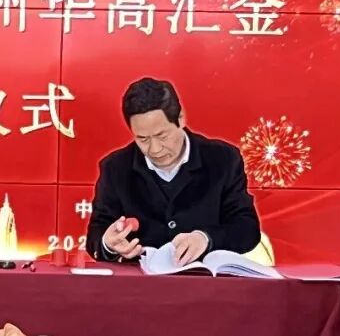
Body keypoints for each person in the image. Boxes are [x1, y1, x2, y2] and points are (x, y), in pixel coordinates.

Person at [86, 78, 261, 265]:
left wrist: (206, 238)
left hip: (205, 279)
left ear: (180, 118)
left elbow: (247, 229)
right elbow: (96, 234)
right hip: (141, 280)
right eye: (143, 139)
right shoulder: (116, 168)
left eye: (162, 136)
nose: (155, 149)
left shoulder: (223, 159)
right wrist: (108, 244)